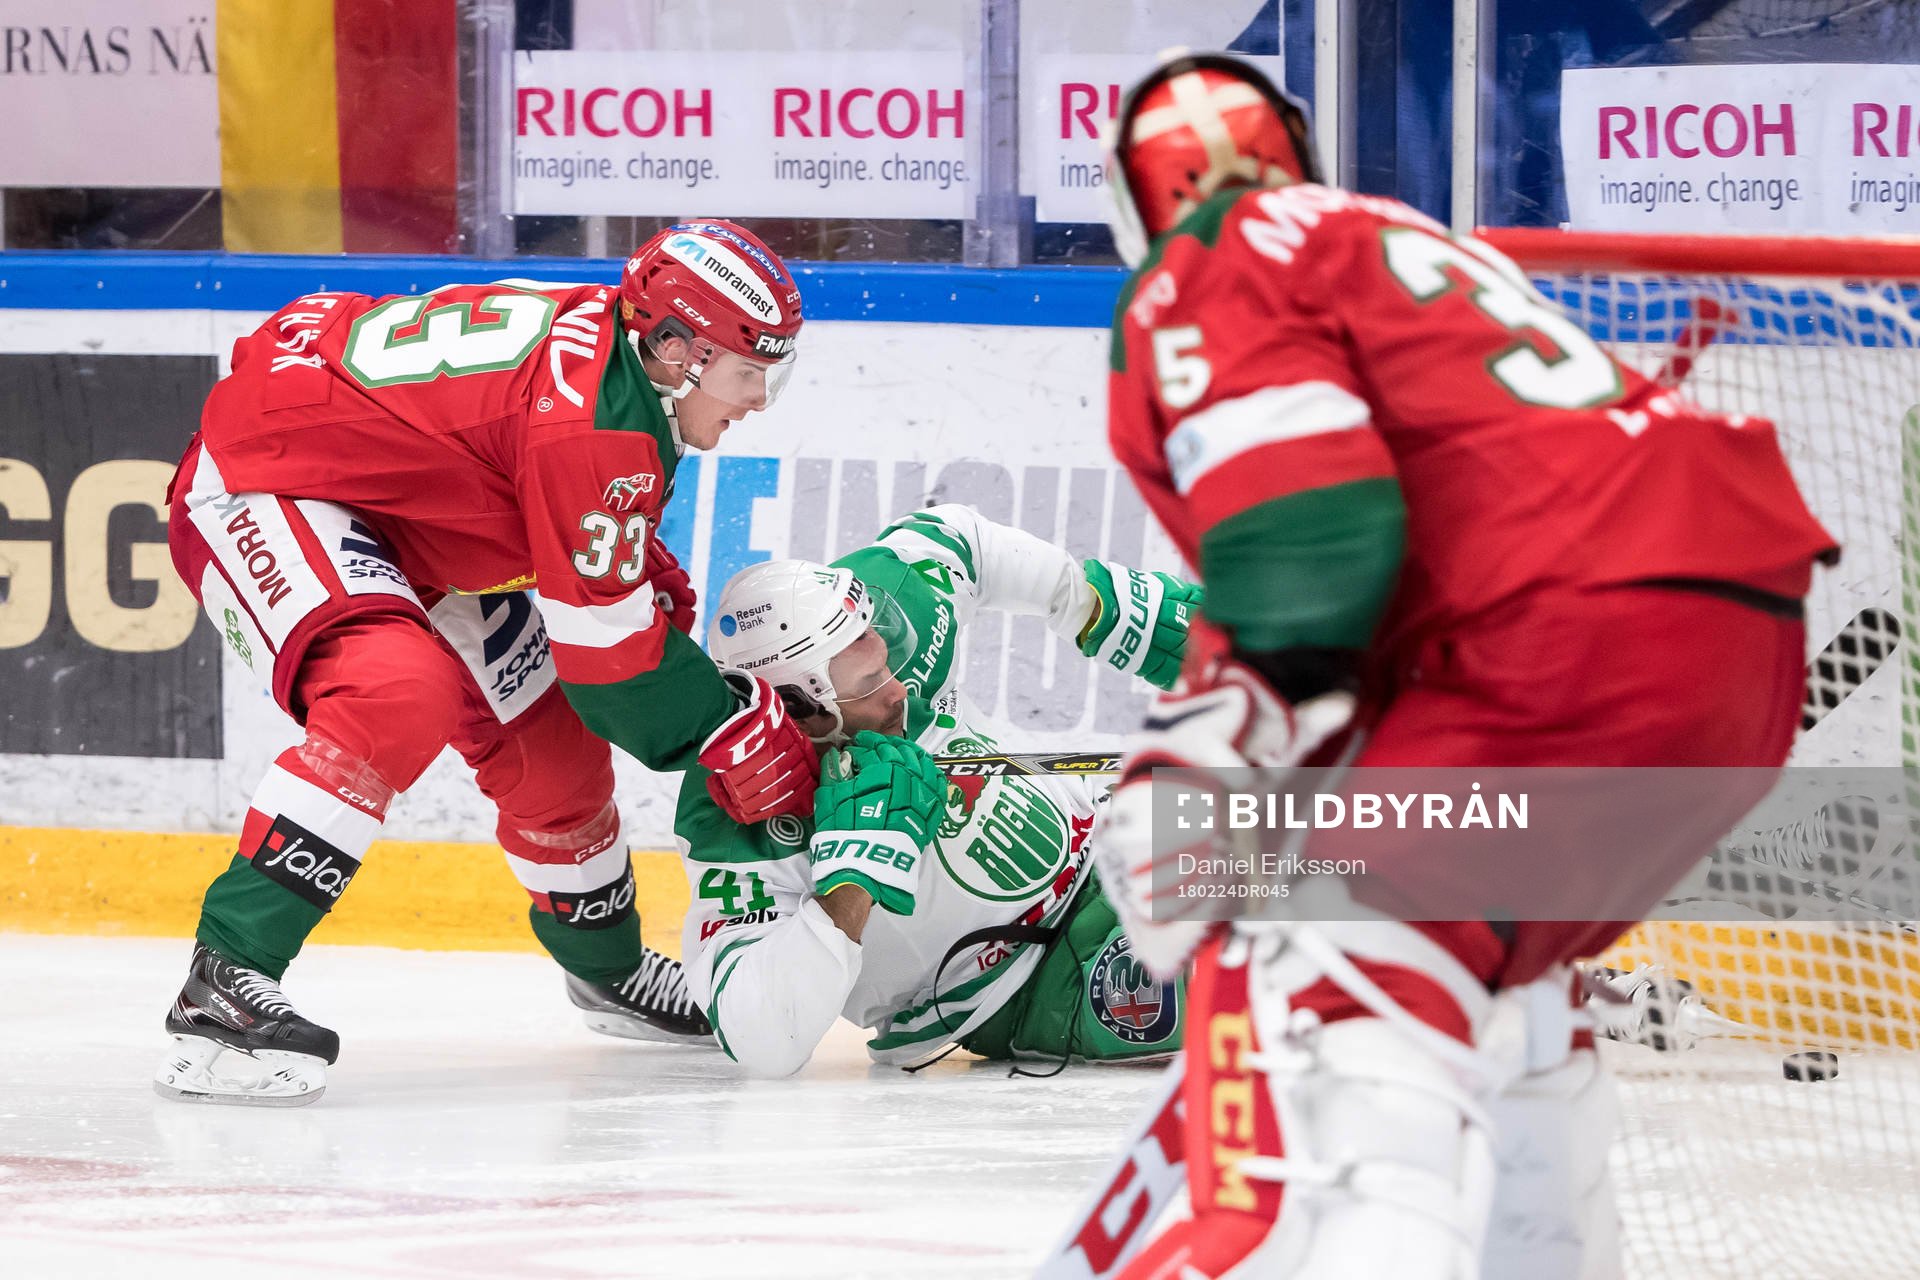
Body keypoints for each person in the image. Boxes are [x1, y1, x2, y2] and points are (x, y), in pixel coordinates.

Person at [1085, 52, 1837, 1278]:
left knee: (1319, 952)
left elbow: (1311, 518)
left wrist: (1214, 732)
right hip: (1734, 646)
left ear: (1141, 205)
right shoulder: (1393, 235)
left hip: (1568, 636)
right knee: (1491, 988)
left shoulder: (1207, 264)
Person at [154, 220, 823, 1106]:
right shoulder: (599, 427)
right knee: (396, 690)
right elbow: (613, 666)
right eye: (749, 374)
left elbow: (524, 485)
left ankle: (607, 969)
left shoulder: (622, 370)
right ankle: (224, 978)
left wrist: (622, 583)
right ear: (675, 348)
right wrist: (725, 722)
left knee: (551, 750)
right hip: (266, 480)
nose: (758, 401)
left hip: (396, 502)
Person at [673, 504, 1202, 1077]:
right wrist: (854, 877)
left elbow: (953, 538)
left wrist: (1092, 602)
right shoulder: (736, 821)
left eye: (885, 661)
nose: (899, 688)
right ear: (800, 708)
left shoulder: (870, 642)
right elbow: (761, 1037)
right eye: (871, 683)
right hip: (1034, 983)